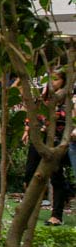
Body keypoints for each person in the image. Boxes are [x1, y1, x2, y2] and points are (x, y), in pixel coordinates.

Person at [23, 71, 73, 226]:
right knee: (30, 174)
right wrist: (27, 130)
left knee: (56, 176)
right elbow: (33, 113)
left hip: (57, 142)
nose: (53, 82)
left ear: (64, 82)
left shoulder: (68, 98)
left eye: (57, 79)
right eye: (51, 78)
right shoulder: (43, 96)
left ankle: (56, 215)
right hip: (39, 139)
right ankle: (28, 209)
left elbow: (68, 117)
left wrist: (55, 118)